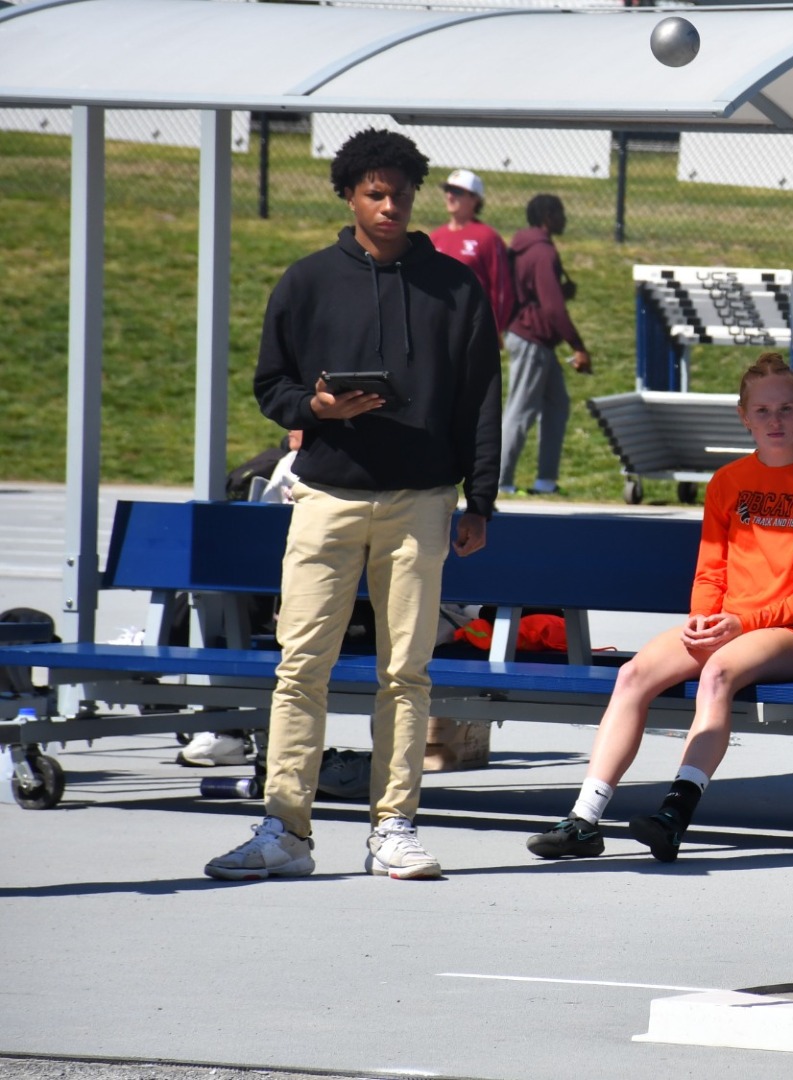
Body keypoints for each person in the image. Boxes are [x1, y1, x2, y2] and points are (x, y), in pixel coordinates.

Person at [207, 128, 500, 881]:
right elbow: (272, 384)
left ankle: (394, 826)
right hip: (325, 498)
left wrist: (481, 501)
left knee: (407, 673)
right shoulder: (306, 283)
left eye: (400, 192)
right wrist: (319, 409)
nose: (390, 204)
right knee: (301, 665)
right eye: (375, 192)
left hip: (422, 503)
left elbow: (480, 402)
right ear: (349, 195)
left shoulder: (457, 288)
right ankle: (284, 831)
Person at [526, 354, 793, 863]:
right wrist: (703, 619)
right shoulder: (727, 481)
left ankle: (675, 813)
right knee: (634, 674)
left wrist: (743, 624)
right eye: (763, 411)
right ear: (744, 416)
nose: (775, 421)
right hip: (727, 624)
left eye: (786, 409)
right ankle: (585, 819)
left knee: (718, 671)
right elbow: (711, 570)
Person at [502, 193, 591, 496]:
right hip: (532, 339)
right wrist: (578, 346)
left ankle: (546, 482)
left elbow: (540, 297)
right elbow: (553, 309)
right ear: (547, 216)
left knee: (557, 405)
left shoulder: (525, 246)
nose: (564, 218)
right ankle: (499, 482)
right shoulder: (542, 253)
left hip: (534, 339)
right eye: (560, 213)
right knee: (520, 410)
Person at [428, 169, 515, 343]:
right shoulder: (435, 237)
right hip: (437, 328)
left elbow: (501, 288)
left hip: (472, 328)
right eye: (448, 190)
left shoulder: (487, 237)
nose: (450, 196)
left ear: (475, 199)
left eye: (458, 192)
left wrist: (495, 327)